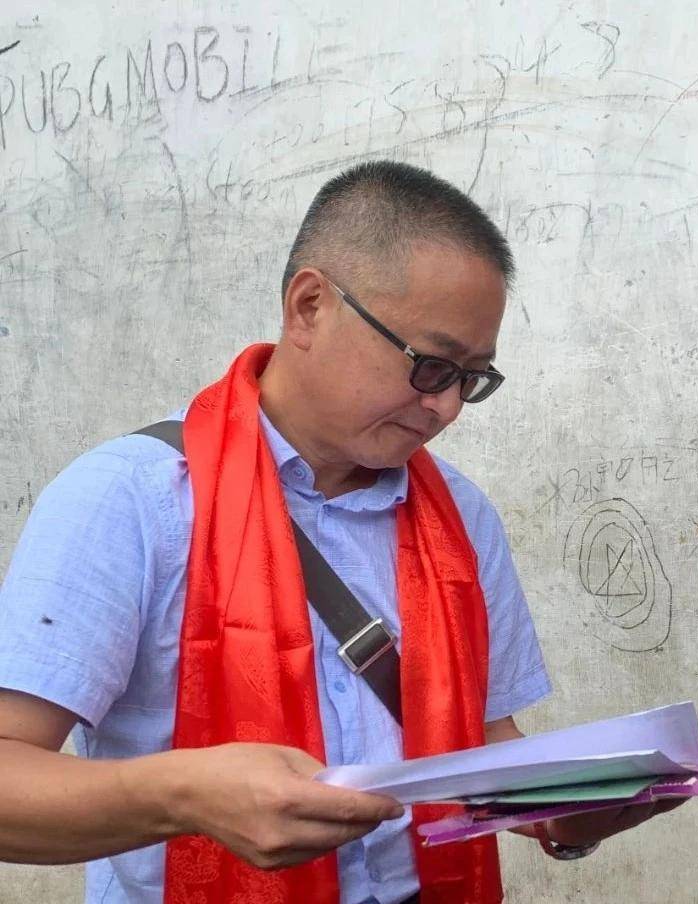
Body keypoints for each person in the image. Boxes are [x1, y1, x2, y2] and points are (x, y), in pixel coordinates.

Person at [0, 160, 654, 904]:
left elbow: (480, 746)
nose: (445, 410)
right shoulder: (130, 500)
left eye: (470, 379)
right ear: (310, 306)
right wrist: (180, 797)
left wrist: (575, 813)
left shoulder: (460, 518)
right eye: (430, 366)